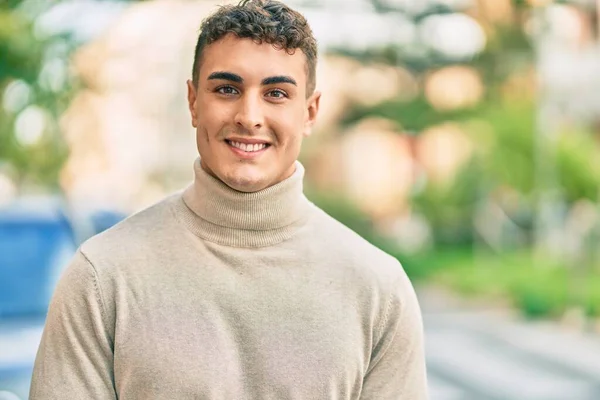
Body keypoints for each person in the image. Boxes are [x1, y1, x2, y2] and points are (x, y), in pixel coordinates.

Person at [29, 0, 429, 398]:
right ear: (193, 102)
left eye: (275, 93)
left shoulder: (378, 289)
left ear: (309, 112)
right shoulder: (102, 278)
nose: (249, 116)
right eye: (226, 89)